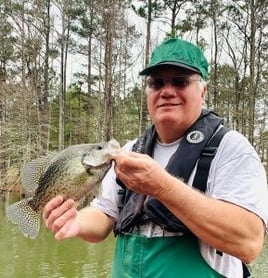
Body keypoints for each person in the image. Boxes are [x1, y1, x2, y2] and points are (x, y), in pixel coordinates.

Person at [43, 38, 268, 278]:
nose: (167, 91)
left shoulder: (231, 149)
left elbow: (249, 243)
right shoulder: (130, 150)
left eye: (180, 82)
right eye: (156, 82)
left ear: (203, 91)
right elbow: (104, 214)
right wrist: (76, 221)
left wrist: (162, 187)